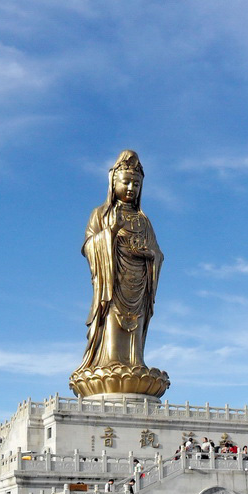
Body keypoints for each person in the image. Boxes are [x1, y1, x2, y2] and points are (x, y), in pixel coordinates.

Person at [71, 150, 164, 392]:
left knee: (137, 332)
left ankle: (135, 363)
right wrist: (108, 235)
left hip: (139, 282)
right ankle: (109, 362)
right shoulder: (101, 214)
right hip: (112, 284)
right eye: (126, 182)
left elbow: (158, 253)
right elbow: (89, 246)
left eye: (136, 183)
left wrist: (150, 255)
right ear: (114, 182)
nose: (131, 188)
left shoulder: (144, 221)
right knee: (112, 321)